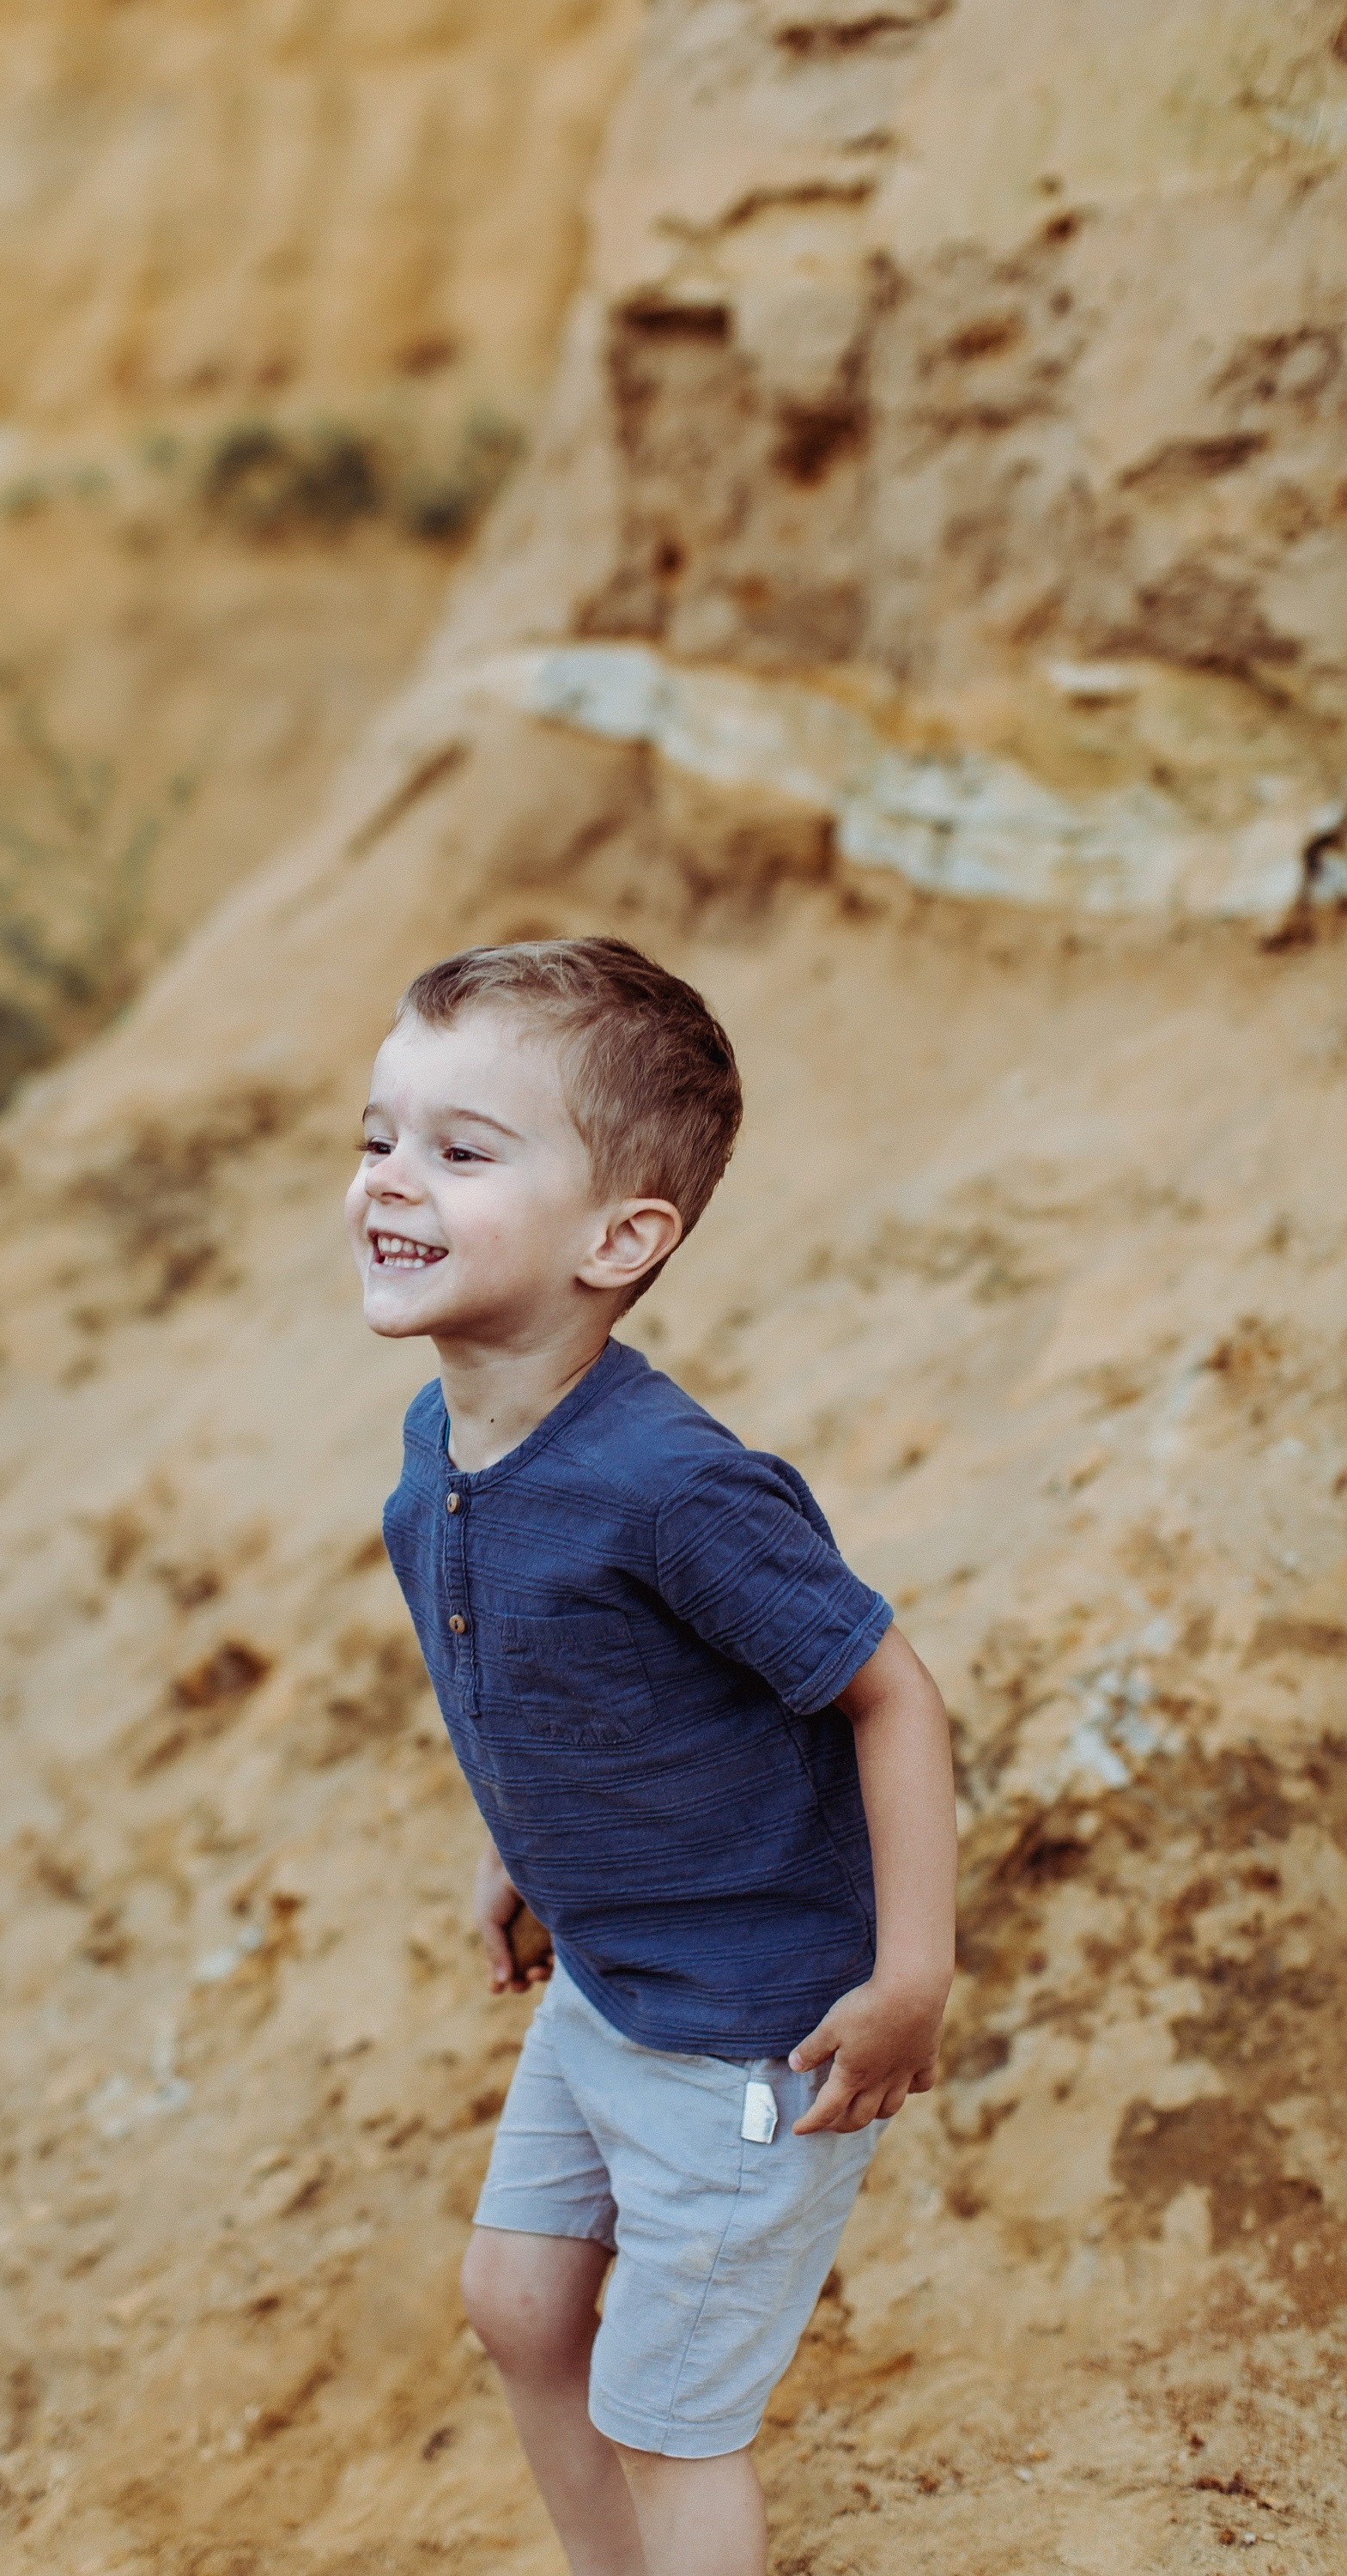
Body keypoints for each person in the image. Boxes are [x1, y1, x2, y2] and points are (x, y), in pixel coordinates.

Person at [344, 937, 956, 2576]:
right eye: (378, 1135)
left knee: (668, 2421)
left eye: (463, 1152)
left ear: (623, 1238)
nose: (393, 1178)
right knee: (518, 2301)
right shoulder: (444, 1440)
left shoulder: (676, 1490)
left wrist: (912, 1978)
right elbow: (552, 1680)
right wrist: (518, 1849)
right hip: (611, 1982)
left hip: (750, 2032)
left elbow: (892, 1692)